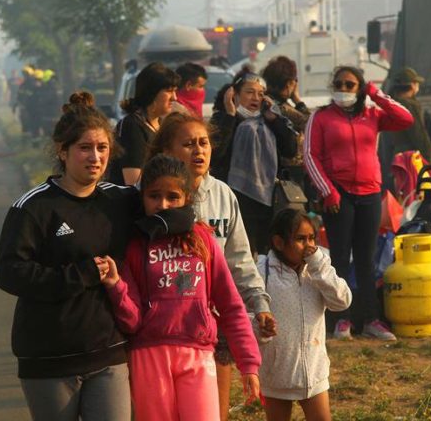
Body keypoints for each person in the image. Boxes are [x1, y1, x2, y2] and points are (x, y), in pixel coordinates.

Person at [0, 91, 137, 421]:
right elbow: (10, 272)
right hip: (48, 357)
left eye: (102, 148)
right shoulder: (33, 207)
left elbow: (168, 204)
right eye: (85, 148)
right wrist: (81, 275)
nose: (95, 157)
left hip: (109, 352)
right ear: (63, 150)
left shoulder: (121, 201)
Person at [103, 154, 261, 421]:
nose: (163, 204)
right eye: (154, 196)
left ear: (187, 197)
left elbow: (231, 305)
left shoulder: (204, 241)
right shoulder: (133, 246)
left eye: (172, 196)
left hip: (198, 352)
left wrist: (249, 364)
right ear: (142, 197)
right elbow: (131, 321)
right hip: (148, 354)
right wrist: (116, 285)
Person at [148, 112, 277, 420]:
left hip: (211, 326)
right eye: (189, 144)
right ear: (167, 151)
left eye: (203, 143)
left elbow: (239, 261)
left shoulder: (222, 194)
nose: (199, 151)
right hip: (158, 333)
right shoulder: (149, 196)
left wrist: (259, 304)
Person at [304, 66, 414, 341]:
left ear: (360, 88)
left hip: (369, 194)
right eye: (339, 83)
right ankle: (341, 319)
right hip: (338, 195)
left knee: (367, 260)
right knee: (340, 258)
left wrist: (376, 94)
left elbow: (405, 118)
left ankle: (370, 320)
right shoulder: (321, 117)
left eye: (350, 84)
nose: (343, 88)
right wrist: (327, 190)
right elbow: (310, 155)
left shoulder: (372, 115)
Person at [258, 209, 351, 421]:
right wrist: (260, 328)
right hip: (276, 373)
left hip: (314, 372)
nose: (309, 245)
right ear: (279, 243)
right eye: (300, 239)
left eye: (312, 238)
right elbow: (249, 313)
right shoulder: (263, 271)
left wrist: (319, 266)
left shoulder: (318, 266)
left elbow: (342, 301)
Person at [209, 67, 298, 256]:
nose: (255, 98)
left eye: (260, 94)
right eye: (249, 92)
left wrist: (274, 120)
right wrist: (230, 115)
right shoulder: (224, 119)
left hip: (267, 200)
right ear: (234, 94)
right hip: (234, 198)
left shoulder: (270, 121)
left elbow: (290, 149)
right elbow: (216, 153)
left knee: (266, 255)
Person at [108, 62, 180, 185]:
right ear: (151, 92)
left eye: (175, 91)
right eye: (169, 91)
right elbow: (133, 182)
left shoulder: (162, 124)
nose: (174, 98)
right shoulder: (132, 126)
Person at [261, 56, 311, 185]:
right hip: (290, 172)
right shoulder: (281, 108)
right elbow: (310, 125)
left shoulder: (265, 102)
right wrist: (298, 100)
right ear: (289, 83)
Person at [387, 67, 431, 162]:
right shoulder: (410, 106)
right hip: (412, 157)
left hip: (398, 156)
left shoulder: (393, 105)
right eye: (417, 83)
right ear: (412, 85)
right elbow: (419, 135)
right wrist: (428, 158)